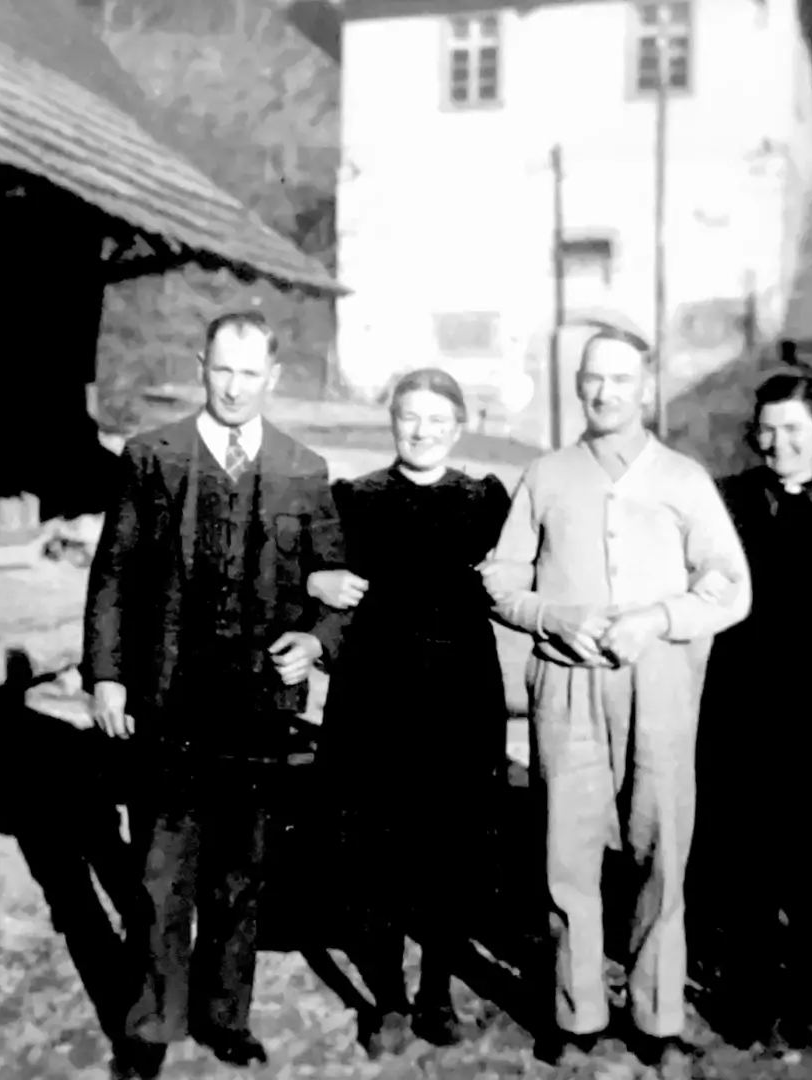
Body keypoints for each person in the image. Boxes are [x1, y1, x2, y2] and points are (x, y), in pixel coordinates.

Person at [81, 311, 351, 1080]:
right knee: (162, 873)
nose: (234, 388)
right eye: (221, 371)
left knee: (241, 872)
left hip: (260, 707)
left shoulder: (304, 467)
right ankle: (150, 1027)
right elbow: (113, 573)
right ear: (202, 366)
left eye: (249, 373)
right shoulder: (151, 456)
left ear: (273, 377)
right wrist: (105, 673)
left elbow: (334, 586)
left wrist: (319, 640)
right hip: (170, 703)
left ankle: (224, 1016)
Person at [478, 327, 752, 1072]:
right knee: (565, 846)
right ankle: (576, 1014)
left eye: (620, 380)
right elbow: (500, 579)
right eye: (592, 379)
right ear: (577, 386)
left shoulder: (682, 479)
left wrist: (658, 621)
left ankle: (657, 1017)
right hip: (564, 679)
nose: (604, 393)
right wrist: (554, 617)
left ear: (646, 387)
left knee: (659, 844)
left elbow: (729, 584)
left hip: (657, 677)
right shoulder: (546, 474)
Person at [304, 368, 512, 1057]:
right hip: (373, 697)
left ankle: (436, 993)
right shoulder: (354, 498)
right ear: (391, 422)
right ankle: (388, 1000)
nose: (421, 431)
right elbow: (307, 571)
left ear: (458, 426)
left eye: (435, 418)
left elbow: (526, 571)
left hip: (459, 699)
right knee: (374, 852)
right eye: (408, 417)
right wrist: (313, 580)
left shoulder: (485, 500)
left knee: (450, 849)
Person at [686, 371, 812, 1051]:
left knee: (811, 862)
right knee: (744, 855)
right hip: (741, 698)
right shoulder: (728, 500)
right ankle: (746, 995)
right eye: (767, 431)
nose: (778, 444)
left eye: (794, 431)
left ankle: (807, 993)